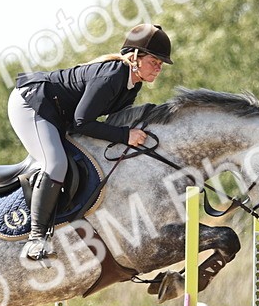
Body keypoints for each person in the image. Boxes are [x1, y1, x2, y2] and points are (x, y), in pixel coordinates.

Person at [9, 22, 173, 259]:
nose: (158, 69)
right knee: (56, 164)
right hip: (32, 103)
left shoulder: (131, 85)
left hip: (57, 115)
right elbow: (82, 122)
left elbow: (110, 122)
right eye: (154, 62)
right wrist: (126, 135)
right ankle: (36, 239)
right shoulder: (114, 74)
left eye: (160, 64)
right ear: (135, 57)